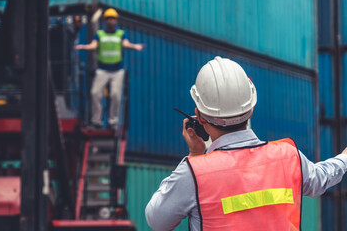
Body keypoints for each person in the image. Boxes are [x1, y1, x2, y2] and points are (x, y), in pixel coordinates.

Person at [145, 56, 347, 230]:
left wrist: (195, 156)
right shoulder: (288, 156)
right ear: (251, 109)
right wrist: (344, 158)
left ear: (199, 116)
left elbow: (157, 220)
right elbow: (320, 178)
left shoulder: (193, 174)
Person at [75, 8, 144, 130]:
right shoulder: (100, 34)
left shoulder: (121, 34)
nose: (111, 21)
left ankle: (113, 122)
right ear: (105, 21)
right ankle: (96, 121)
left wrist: (135, 46)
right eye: (108, 19)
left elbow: (125, 44)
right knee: (95, 93)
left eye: (112, 19)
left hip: (117, 71)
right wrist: (84, 47)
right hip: (102, 70)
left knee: (115, 95)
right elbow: (94, 45)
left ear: (116, 21)